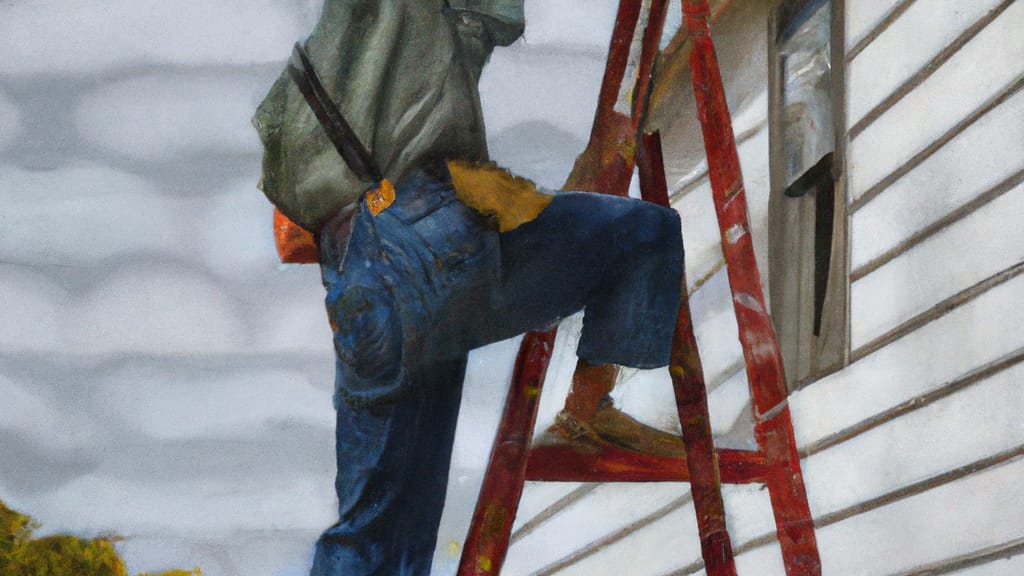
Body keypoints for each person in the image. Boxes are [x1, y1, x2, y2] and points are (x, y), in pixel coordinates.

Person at [253, 1, 685, 573]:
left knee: (378, 527)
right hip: (428, 249)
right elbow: (499, 16)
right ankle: (587, 410)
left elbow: (290, 230)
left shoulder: (316, 66)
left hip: (358, 286)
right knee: (646, 230)